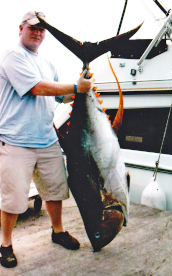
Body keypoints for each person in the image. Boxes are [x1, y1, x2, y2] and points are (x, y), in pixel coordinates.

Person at [0, 11, 94, 268]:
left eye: (42, 29)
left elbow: (57, 97)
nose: (38, 32)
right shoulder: (12, 55)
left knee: (54, 191)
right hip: (16, 141)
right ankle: (5, 244)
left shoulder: (48, 63)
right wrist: (74, 88)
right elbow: (36, 88)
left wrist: (81, 86)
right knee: (12, 198)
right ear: (21, 29)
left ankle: (58, 231)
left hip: (47, 139)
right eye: (33, 28)